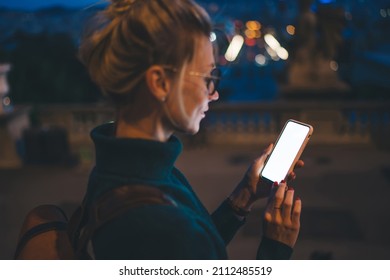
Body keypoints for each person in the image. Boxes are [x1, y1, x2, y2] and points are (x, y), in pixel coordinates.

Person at [78, 0, 302, 260]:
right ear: (161, 82)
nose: (214, 93)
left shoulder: (124, 169)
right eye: (207, 77)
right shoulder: (155, 221)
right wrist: (276, 247)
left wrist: (243, 197)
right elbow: (181, 242)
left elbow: (191, 251)